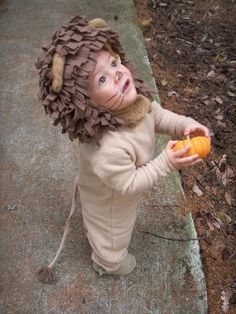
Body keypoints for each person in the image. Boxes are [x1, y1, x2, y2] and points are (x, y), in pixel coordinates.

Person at [36, 15, 210, 282]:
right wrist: (166, 162)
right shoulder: (109, 148)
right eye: (102, 80)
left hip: (120, 177)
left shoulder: (133, 101)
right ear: (85, 102)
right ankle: (107, 262)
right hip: (112, 195)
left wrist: (186, 125)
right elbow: (128, 185)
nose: (117, 73)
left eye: (114, 63)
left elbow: (158, 116)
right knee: (111, 230)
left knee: (107, 221)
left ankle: (98, 238)